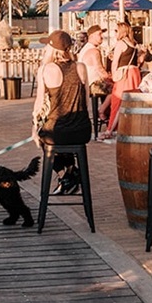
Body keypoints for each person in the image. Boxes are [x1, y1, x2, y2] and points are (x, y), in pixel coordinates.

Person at [31, 30, 90, 194]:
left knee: (45, 136)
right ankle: (71, 173)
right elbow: (86, 102)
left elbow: (39, 105)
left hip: (58, 132)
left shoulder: (45, 69)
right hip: (83, 131)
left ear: (51, 49)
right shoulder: (81, 67)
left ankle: (65, 174)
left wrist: (34, 128)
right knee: (61, 132)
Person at [107, 21, 142, 136]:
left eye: (116, 30)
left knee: (117, 100)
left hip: (124, 74)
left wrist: (114, 75)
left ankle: (111, 128)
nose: (115, 33)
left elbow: (115, 61)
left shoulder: (121, 44)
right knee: (131, 101)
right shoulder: (133, 44)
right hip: (134, 73)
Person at [78, 25, 111, 135]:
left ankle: (105, 114)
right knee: (117, 89)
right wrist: (111, 78)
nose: (102, 36)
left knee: (110, 88)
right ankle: (103, 112)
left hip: (86, 83)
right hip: (94, 84)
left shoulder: (85, 49)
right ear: (91, 36)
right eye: (99, 34)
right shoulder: (94, 51)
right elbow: (100, 69)